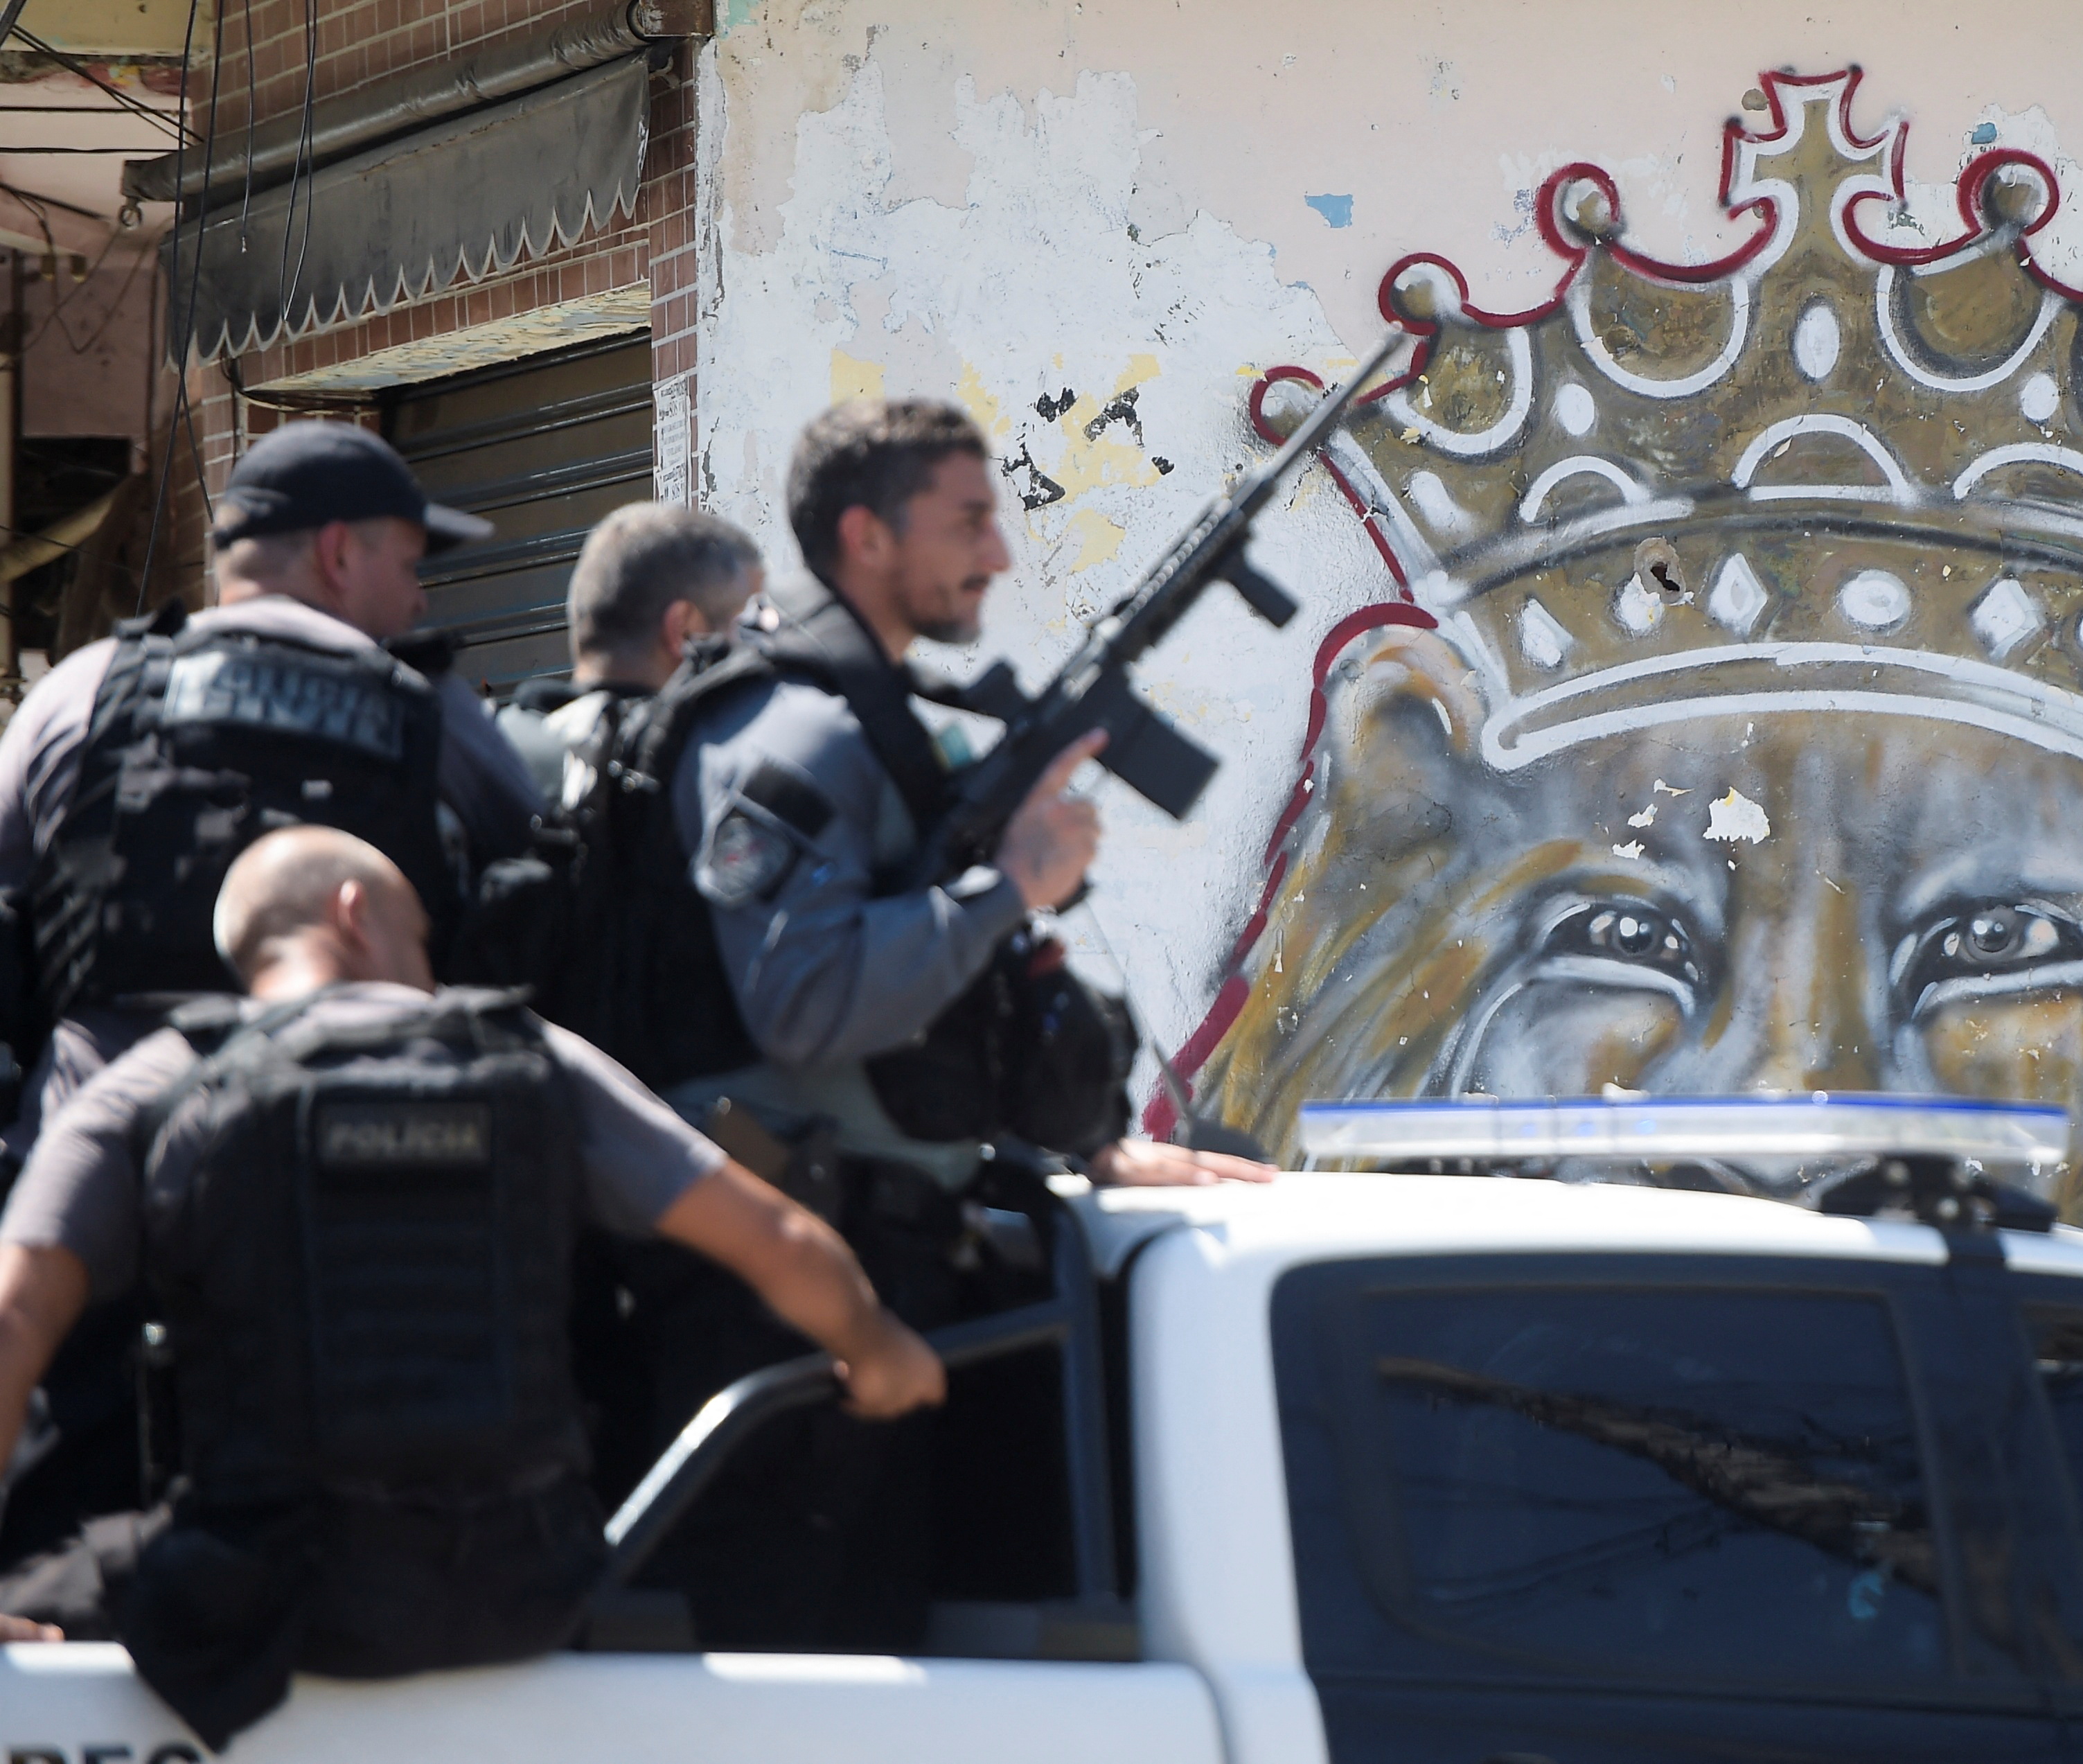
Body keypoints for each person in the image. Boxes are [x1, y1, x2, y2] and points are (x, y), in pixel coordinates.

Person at [554, 399, 1269, 1650]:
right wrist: (1009, 887)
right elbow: (807, 1003)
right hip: (781, 1299)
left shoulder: (881, 722)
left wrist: (1082, 1133)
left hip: (890, 1266)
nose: (997, 552)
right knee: (789, 1680)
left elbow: (928, 1016)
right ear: (865, 537)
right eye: (968, 520)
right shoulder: (789, 731)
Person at [0, 826, 943, 1747]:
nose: (430, 968)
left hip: (267, 1602)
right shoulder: (533, 1059)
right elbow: (778, 1236)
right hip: (526, 1594)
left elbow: (18, 1307)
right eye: (420, 937)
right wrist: (882, 1351)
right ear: (354, 910)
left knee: (38, 1591)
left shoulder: (161, 1083)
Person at [0, 419, 546, 1569]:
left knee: (54, 1566)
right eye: (407, 563)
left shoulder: (80, 695)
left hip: (85, 1199)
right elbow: (534, 909)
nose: (412, 600)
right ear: (338, 553)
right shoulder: (427, 711)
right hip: (353, 1222)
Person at [496, 504, 761, 809]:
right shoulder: (707, 787)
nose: (756, 645)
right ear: (684, 630)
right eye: (744, 624)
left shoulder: (487, 754)